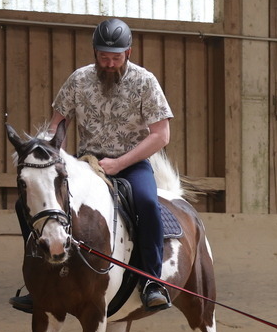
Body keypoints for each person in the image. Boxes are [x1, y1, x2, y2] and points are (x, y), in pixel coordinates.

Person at [10, 17, 173, 313]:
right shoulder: (79, 79)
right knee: (27, 206)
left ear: (129, 53)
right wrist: (48, 155)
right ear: (94, 53)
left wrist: (120, 162)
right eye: (103, 57)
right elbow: (56, 127)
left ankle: (152, 280)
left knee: (148, 203)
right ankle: (39, 280)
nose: (109, 63)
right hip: (86, 164)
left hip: (131, 164)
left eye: (116, 57)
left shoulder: (145, 82)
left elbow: (161, 135)